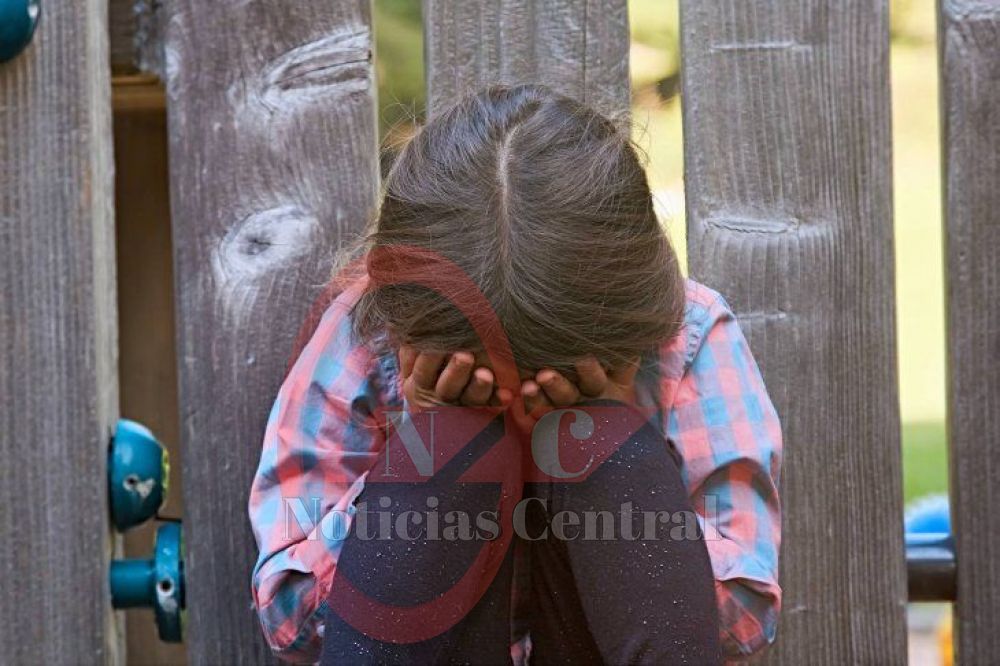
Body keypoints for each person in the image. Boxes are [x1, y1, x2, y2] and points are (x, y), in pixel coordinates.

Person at [249, 83, 782, 664]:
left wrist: (612, 448)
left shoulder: (688, 334)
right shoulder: (369, 333)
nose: (516, 415)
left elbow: (744, 622)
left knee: (609, 450)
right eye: (487, 383)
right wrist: (419, 458)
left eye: (541, 379)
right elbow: (292, 622)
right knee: (449, 450)